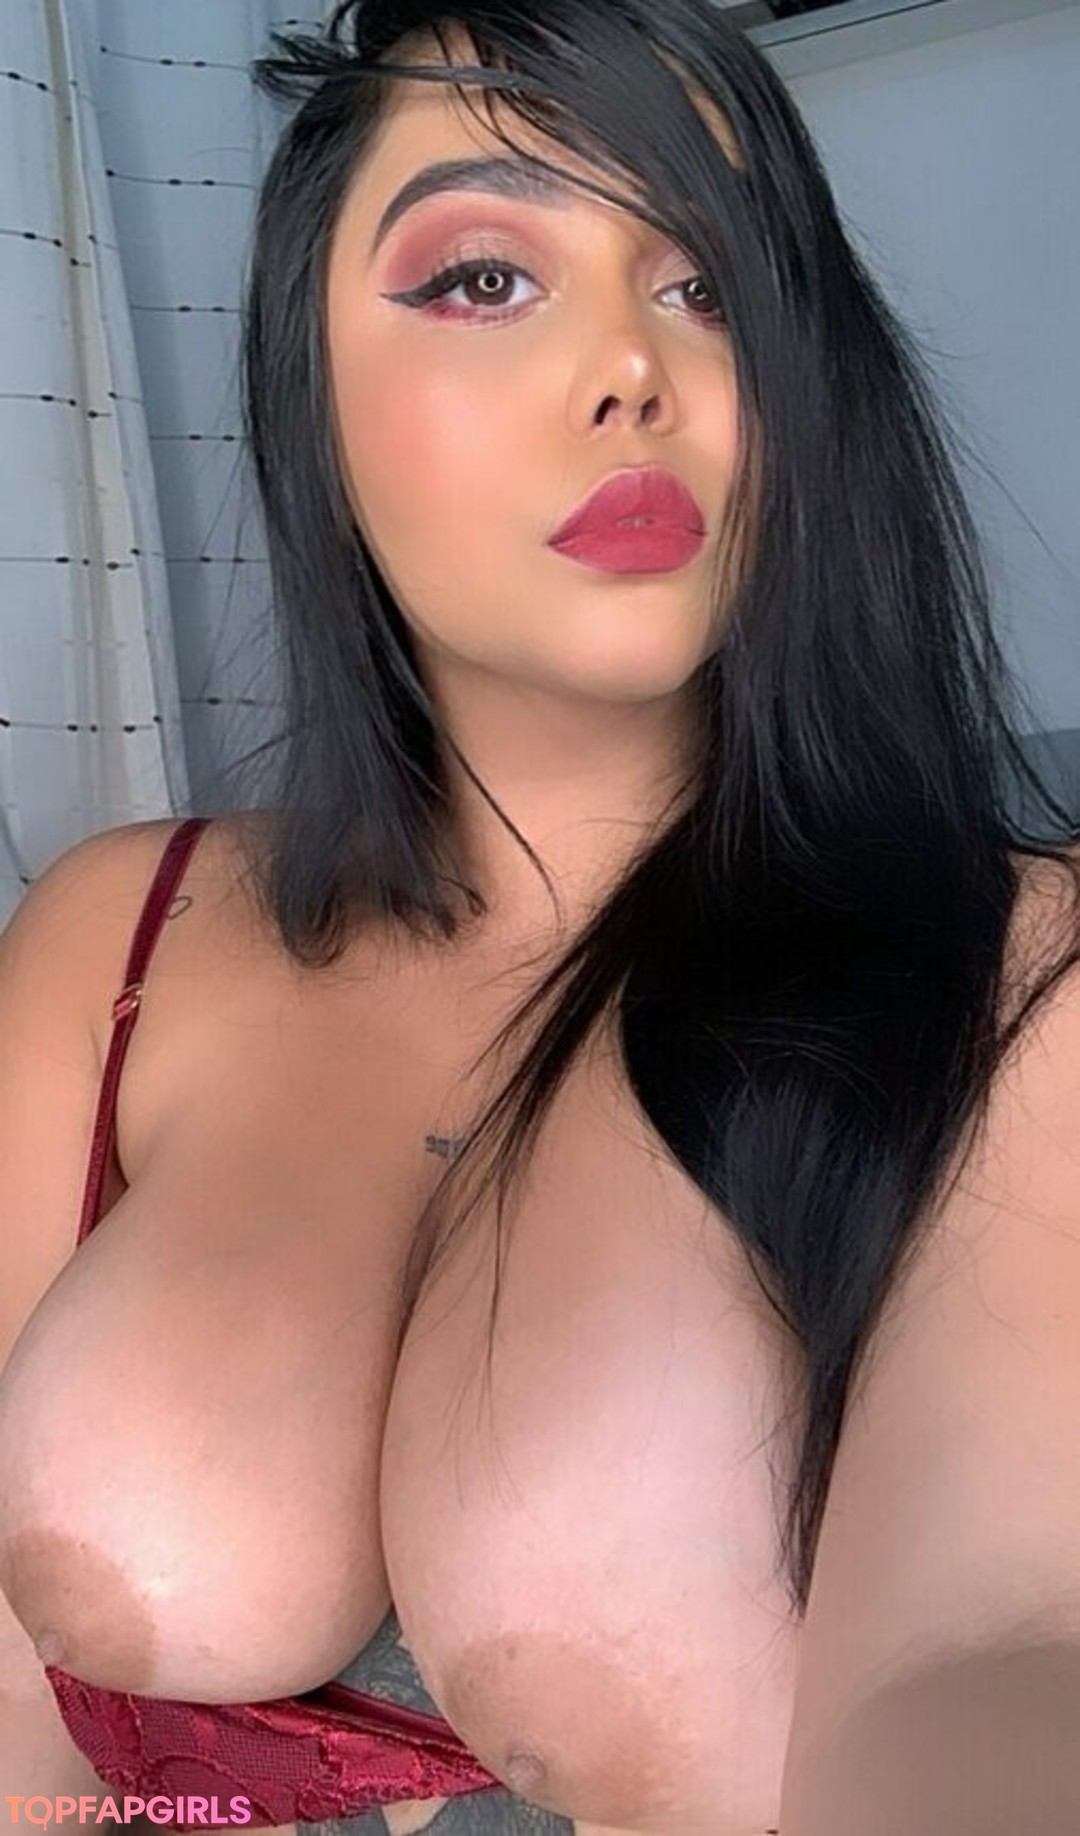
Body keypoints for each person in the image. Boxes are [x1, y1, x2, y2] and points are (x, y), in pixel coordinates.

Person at [1, 1, 1079, 1832]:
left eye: (711, 287)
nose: (632, 371)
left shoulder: (1022, 985)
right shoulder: (119, 935)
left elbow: (1002, 1652)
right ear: (310, 392)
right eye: (486, 278)